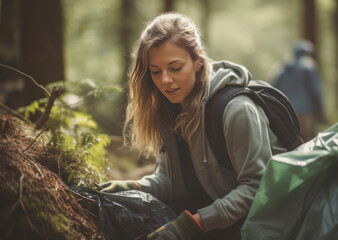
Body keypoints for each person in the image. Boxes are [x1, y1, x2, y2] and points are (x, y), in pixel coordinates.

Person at [100, 12, 286, 240]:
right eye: (155, 71)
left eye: (175, 68)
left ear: (198, 61)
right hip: (221, 224)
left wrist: (194, 223)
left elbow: (257, 187)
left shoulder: (236, 110)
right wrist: (133, 187)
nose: (164, 80)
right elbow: (170, 179)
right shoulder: (170, 108)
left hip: (267, 227)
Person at [274, 40, 325, 142]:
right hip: (306, 111)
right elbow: (315, 90)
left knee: (291, 140)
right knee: (308, 141)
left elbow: (275, 88)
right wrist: (320, 109)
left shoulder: (282, 68)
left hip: (287, 111)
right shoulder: (309, 66)